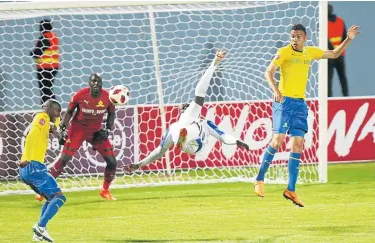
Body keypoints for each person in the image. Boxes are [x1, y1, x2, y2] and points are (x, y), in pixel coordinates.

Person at [254, 24, 360, 207]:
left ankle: (291, 190)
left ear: (305, 38)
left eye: (298, 36)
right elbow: (268, 72)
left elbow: (334, 54)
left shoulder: (310, 52)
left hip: (300, 104)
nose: (295, 39)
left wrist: (348, 39)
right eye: (292, 36)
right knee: (277, 140)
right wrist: (276, 91)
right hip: (283, 102)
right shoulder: (284, 52)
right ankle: (259, 178)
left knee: (298, 144)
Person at [123, 49, 249, 175]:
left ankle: (184, 142)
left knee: (192, 111)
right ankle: (184, 142)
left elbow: (223, 136)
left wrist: (237, 141)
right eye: (184, 107)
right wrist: (139, 165)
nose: (185, 107)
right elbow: (159, 151)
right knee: (181, 126)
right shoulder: (177, 126)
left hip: (195, 141)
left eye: (185, 106)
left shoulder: (199, 120)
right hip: (188, 139)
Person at [40, 73, 118, 201]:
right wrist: (63, 129)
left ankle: (105, 190)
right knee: (63, 160)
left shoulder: (108, 97)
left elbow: (111, 114)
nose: (96, 84)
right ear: (89, 83)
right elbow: (69, 112)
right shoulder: (80, 95)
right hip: (78, 130)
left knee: (112, 162)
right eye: (93, 82)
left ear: (102, 83)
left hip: (95, 133)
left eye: (98, 82)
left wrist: (108, 130)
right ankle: (43, 190)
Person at [19, 99, 64, 242]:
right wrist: (28, 157)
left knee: (50, 198)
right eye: (56, 111)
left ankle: (39, 233)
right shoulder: (42, 117)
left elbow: (54, 127)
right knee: (59, 197)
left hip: (28, 169)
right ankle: (40, 227)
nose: (58, 114)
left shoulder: (47, 120)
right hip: (33, 165)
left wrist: (56, 125)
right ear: (49, 109)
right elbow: (30, 135)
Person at [30, 19, 60, 104]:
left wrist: (32, 53)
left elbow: (37, 53)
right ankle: (53, 106)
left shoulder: (44, 38)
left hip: (44, 68)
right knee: (49, 89)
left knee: (45, 90)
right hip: (54, 67)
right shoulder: (54, 37)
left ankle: (48, 108)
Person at [328, 4, 349, 97]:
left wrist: (336, 50)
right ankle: (329, 97)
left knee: (340, 76)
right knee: (331, 77)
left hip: (335, 54)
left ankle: (345, 96)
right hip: (333, 54)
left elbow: (345, 36)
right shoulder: (340, 21)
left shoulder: (340, 21)